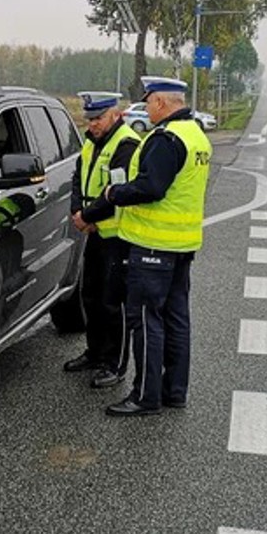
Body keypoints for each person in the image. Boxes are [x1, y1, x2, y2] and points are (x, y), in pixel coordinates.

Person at [76, 76, 212, 417]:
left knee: (147, 321)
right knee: (176, 320)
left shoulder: (165, 139)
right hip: (180, 244)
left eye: (149, 101)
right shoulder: (194, 134)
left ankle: (146, 396)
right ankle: (173, 392)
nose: (147, 108)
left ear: (161, 103)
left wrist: (113, 194)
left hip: (154, 245)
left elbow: (151, 187)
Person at [63, 91, 141, 389]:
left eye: (98, 118)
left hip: (116, 236)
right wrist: (76, 211)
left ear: (115, 115)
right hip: (94, 232)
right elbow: (77, 177)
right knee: (91, 296)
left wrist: (88, 216)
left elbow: (116, 190)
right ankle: (94, 353)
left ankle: (114, 364)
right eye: (90, 118)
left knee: (112, 302)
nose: (92, 124)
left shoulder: (126, 144)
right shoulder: (91, 141)